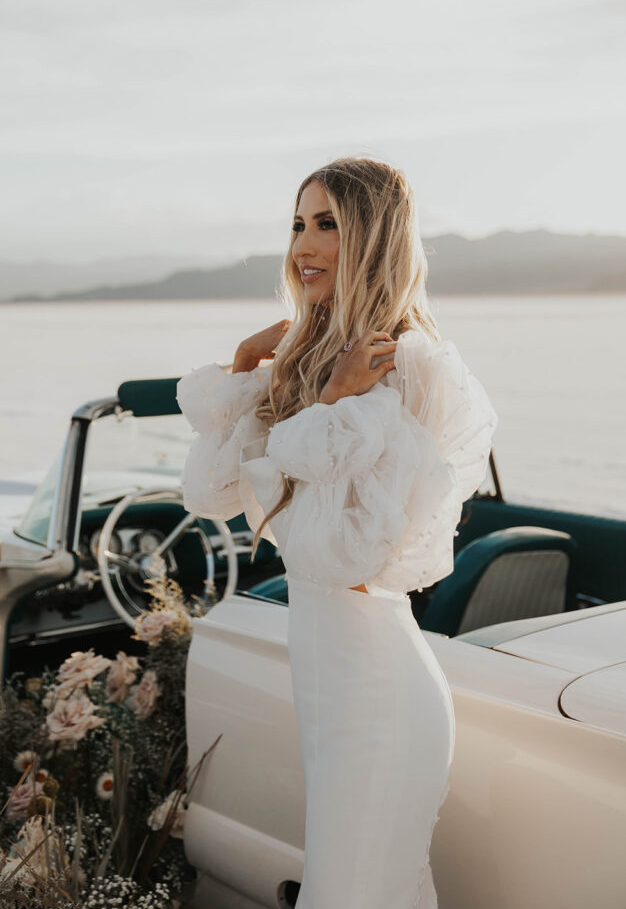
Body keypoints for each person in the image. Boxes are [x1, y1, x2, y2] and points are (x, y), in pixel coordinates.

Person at [176, 156, 498, 908]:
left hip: (378, 689)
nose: (304, 245)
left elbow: (354, 561)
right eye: (297, 223)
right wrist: (247, 372)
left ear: (376, 239)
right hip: (329, 690)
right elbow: (216, 496)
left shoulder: (409, 365)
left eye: (329, 224)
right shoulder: (318, 363)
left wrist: (326, 408)